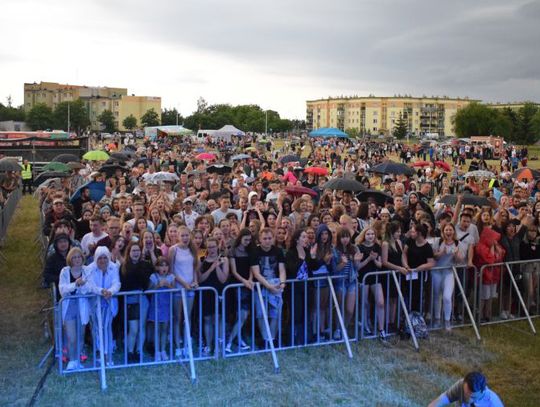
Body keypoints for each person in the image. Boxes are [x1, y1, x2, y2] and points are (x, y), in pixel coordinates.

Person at [250, 227, 287, 346]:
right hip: (260, 286)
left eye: (269, 238)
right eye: (265, 238)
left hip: (276, 284)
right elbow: (256, 273)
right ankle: (265, 338)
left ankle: (272, 338)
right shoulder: (254, 252)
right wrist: (268, 286)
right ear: (260, 239)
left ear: (273, 239)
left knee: (275, 312)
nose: (267, 241)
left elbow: (282, 269)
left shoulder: (278, 251)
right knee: (261, 313)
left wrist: (282, 283)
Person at [58, 247, 92, 371]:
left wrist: (82, 286)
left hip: (82, 306)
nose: (77, 259)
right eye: (74, 257)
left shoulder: (87, 270)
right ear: (70, 259)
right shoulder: (65, 271)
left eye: (79, 257)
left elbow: (89, 288)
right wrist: (75, 284)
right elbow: (62, 290)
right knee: (71, 337)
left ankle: (78, 360)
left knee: (81, 335)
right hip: (69, 306)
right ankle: (71, 360)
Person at [120, 241, 153, 363]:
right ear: (129, 253)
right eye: (133, 251)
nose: (136, 253)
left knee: (142, 326)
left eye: (138, 250)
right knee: (133, 328)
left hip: (143, 299)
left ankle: (139, 351)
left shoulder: (146, 265)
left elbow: (148, 281)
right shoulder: (124, 266)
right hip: (130, 299)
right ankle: (130, 351)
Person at [169, 225, 199, 358]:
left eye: (187, 235)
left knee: (188, 317)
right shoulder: (173, 250)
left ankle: (187, 344)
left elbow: (194, 268)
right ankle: (178, 345)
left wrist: (195, 281)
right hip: (178, 288)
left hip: (190, 288)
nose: (185, 238)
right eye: (183, 235)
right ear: (178, 236)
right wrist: (183, 283)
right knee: (178, 318)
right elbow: (171, 271)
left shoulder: (193, 250)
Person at [88, 246, 121, 366]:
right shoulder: (90, 269)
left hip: (108, 302)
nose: (102, 261)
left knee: (107, 327)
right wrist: (101, 291)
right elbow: (91, 285)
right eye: (100, 258)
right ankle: (100, 352)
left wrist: (110, 291)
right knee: (97, 328)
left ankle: (107, 355)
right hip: (95, 303)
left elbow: (116, 283)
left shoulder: (113, 267)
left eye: (105, 258)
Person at [198, 237, 229, 355]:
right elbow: (200, 279)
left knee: (219, 318)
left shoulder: (224, 260)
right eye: (209, 247)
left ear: (217, 247)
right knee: (207, 319)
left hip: (220, 292)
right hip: (206, 293)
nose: (211, 249)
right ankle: (209, 345)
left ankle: (219, 345)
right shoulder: (202, 260)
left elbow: (223, 279)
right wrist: (211, 268)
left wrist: (216, 265)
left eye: (213, 246)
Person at [226, 228, 254, 353]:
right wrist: (244, 281)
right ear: (240, 238)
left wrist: (250, 280)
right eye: (245, 239)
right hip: (237, 285)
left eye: (249, 240)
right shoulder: (233, 251)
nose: (247, 242)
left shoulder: (250, 251)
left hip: (248, 285)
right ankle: (231, 340)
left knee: (243, 316)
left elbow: (253, 268)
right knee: (239, 315)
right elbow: (234, 271)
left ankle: (234, 339)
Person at [147, 256, 175, 362]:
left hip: (166, 306)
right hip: (156, 306)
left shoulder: (171, 277)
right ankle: (157, 351)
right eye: (161, 265)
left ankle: (163, 350)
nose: (164, 268)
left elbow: (174, 289)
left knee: (164, 328)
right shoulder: (153, 277)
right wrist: (157, 286)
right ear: (157, 267)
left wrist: (168, 285)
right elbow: (149, 290)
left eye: (166, 265)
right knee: (156, 329)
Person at [428, 371, 504, 407]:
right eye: (465, 394)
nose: (468, 400)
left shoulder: (493, 403)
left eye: (473, 397)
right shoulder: (462, 384)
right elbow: (445, 398)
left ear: (483, 390)